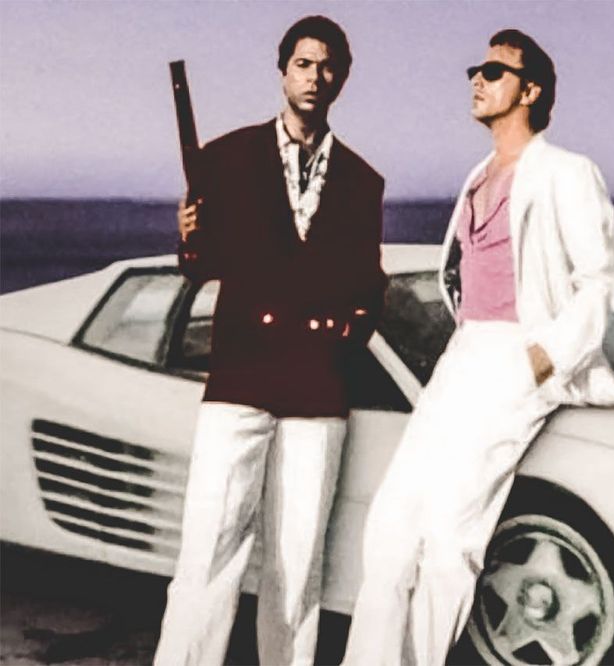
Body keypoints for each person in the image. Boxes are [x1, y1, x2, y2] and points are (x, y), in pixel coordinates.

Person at [342, 28, 614, 666]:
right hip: (464, 353)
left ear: (529, 91)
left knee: (451, 536)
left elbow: (602, 283)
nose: (477, 79)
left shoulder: (567, 172)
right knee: (392, 522)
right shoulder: (479, 175)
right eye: (475, 71)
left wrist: (542, 359)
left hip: (515, 357)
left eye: (494, 71)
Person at [153, 15, 386, 666]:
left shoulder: (363, 180)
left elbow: (369, 283)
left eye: (328, 66)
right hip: (240, 378)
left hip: (318, 388)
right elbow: (202, 265)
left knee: (297, 564)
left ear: (342, 78)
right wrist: (188, 237)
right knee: (208, 552)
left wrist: (348, 332)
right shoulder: (225, 158)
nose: (316, 76)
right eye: (304, 64)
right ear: (283, 71)